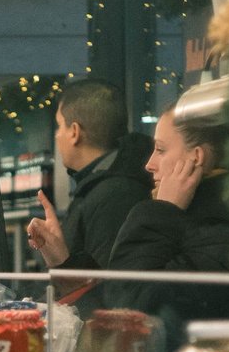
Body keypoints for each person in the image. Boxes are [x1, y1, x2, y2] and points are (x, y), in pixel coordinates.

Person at [34, 100, 229, 352]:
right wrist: (66, 263)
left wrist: (161, 210)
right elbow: (122, 296)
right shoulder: (200, 219)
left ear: (196, 158)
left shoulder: (224, 230)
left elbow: (128, 311)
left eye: (160, 150)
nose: (149, 164)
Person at [26, 79, 153, 269]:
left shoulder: (114, 196)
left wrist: (61, 262)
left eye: (60, 125)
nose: (57, 135)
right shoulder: (99, 187)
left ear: (75, 132)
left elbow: (103, 292)